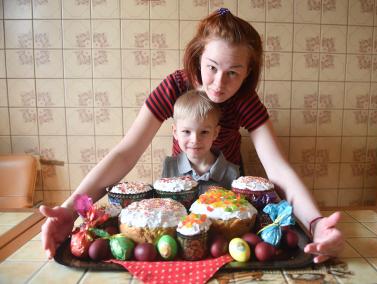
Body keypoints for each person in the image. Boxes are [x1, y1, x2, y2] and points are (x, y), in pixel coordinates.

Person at [40, 8, 344, 263]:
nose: (218, 84)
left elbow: (278, 168)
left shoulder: (245, 100)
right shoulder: (174, 86)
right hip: (179, 204)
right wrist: (71, 209)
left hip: (227, 206)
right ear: (198, 56)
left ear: (249, 72)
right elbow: (125, 152)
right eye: (211, 67)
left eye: (233, 73)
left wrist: (315, 223)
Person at [160, 89, 240, 194]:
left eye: (204, 132)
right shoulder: (169, 166)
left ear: (215, 133)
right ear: (175, 132)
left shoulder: (231, 173)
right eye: (187, 131)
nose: (195, 140)